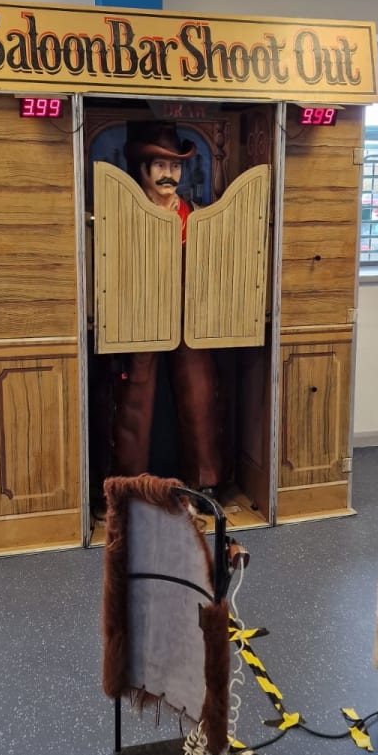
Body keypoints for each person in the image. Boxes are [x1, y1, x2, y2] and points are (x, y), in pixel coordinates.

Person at [111, 123, 223, 497]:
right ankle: (128, 487)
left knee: (199, 392)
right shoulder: (126, 211)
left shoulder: (190, 213)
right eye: (160, 165)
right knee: (135, 397)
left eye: (174, 166)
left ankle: (204, 481)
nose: (168, 174)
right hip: (140, 314)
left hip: (187, 315)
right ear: (142, 168)